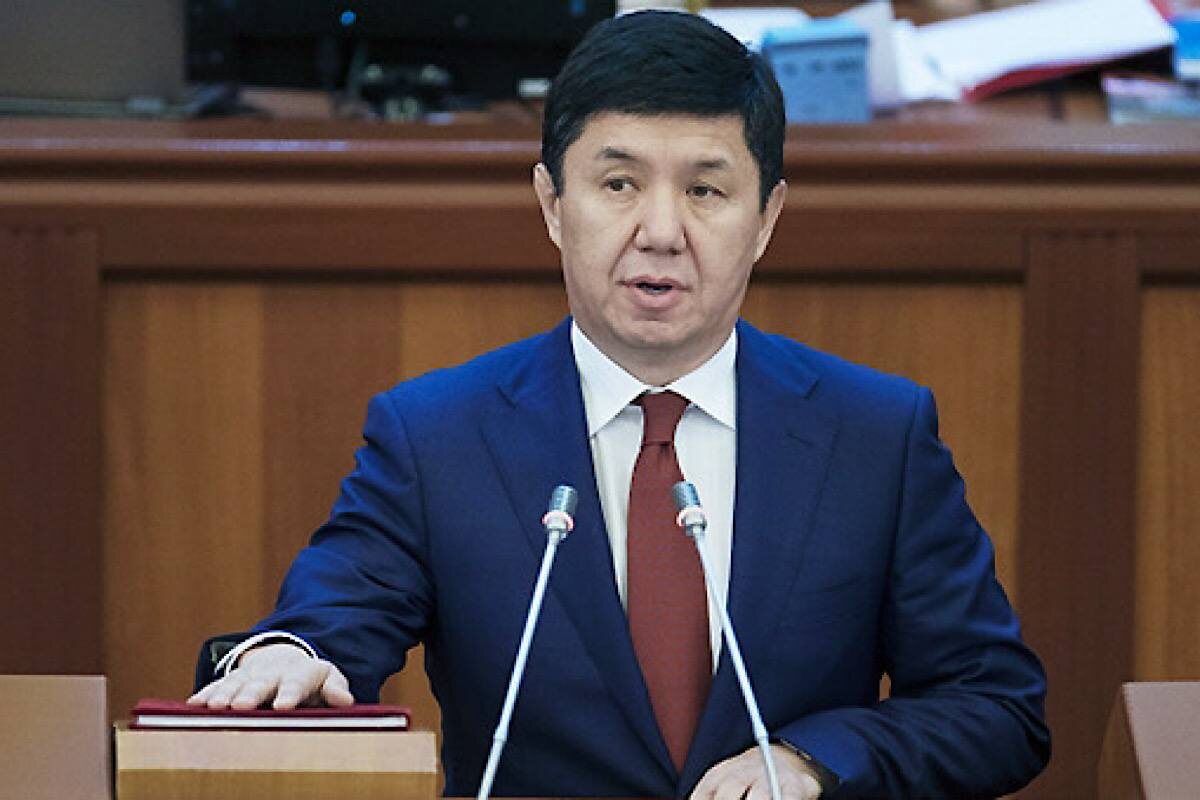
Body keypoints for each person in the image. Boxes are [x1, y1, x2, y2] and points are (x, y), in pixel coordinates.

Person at [189, 10, 1049, 798]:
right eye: (619, 184)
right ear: (552, 205)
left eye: (705, 190)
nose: (661, 231)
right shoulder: (438, 436)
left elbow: (997, 708)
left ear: (766, 219)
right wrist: (289, 655)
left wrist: (814, 760)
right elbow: (332, 620)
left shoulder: (875, 435)